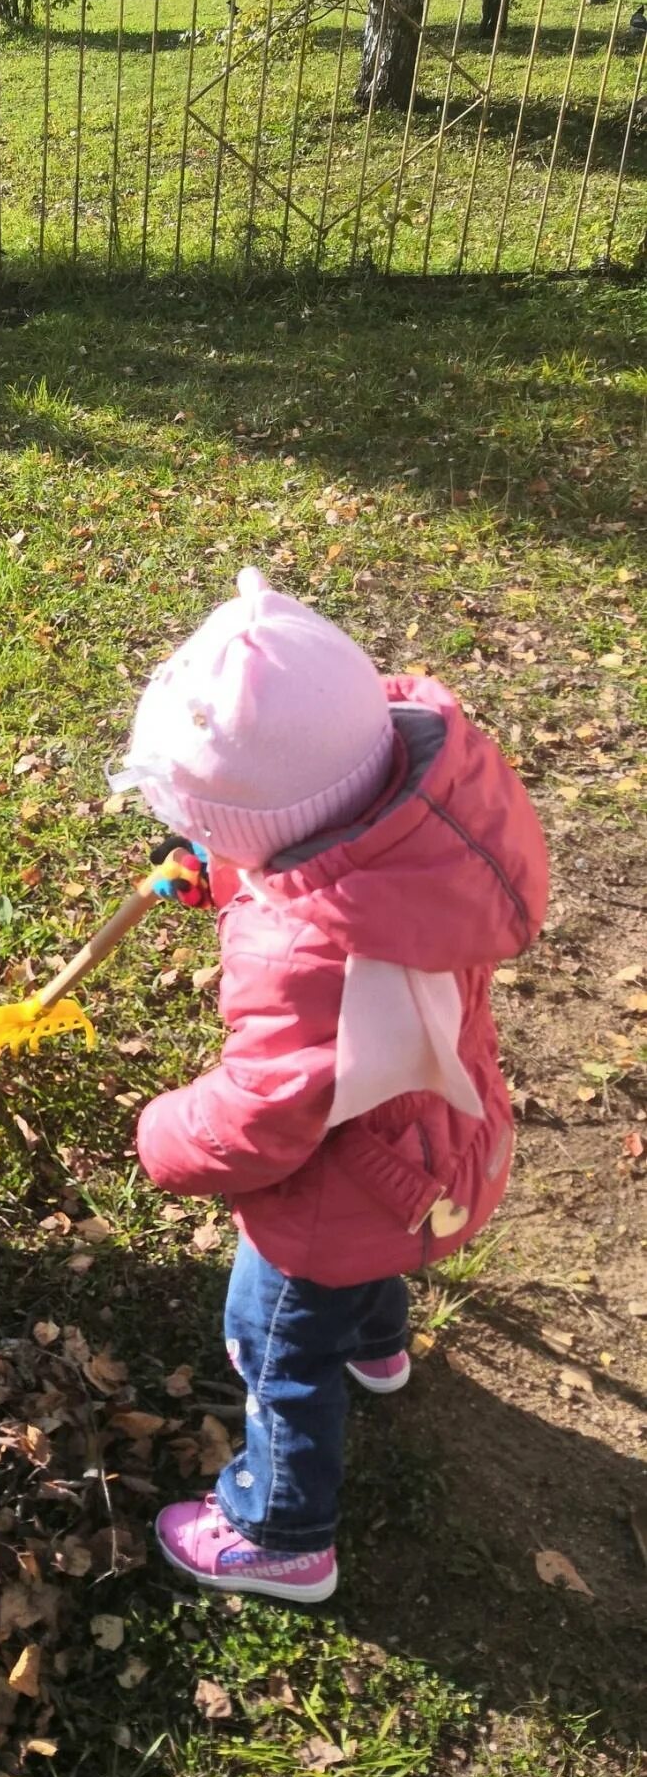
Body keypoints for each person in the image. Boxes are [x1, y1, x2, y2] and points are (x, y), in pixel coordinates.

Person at [109, 568, 549, 1602]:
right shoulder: (429, 828)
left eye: (213, 831)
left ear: (267, 832)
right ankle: (378, 1344)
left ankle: (280, 1529)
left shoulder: (299, 957)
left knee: (276, 1351)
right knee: (361, 1269)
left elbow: (266, 1115)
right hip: (437, 1137)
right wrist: (221, 868)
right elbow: (324, 846)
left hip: (332, 1200)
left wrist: (165, 1133)